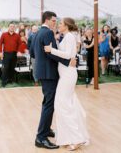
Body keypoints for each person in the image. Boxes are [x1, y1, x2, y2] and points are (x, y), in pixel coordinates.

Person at [32, 11, 76, 150]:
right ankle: (41, 137)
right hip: (49, 73)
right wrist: (68, 61)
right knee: (49, 104)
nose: (55, 23)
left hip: (43, 72)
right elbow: (50, 53)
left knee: (48, 102)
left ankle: (47, 129)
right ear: (47, 20)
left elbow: (33, 52)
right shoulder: (48, 33)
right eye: (53, 20)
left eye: (57, 21)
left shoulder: (38, 32)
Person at [44, 17, 89, 150]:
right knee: (67, 104)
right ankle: (70, 136)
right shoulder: (67, 36)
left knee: (62, 104)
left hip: (68, 75)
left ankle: (76, 138)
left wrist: (51, 50)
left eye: (61, 24)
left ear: (67, 26)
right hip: (65, 74)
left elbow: (68, 54)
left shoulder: (69, 36)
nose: (58, 25)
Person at [0, 22, 21, 87]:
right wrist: (0, 52)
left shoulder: (17, 35)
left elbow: (19, 44)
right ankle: (3, 82)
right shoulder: (4, 34)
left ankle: (10, 80)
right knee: (5, 68)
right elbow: (0, 43)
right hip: (6, 54)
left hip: (14, 54)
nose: (12, 27)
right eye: (11, 26)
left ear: (14, 28)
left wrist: (19, 51)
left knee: (12, 68)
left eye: (13, 26)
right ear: (8, 27)